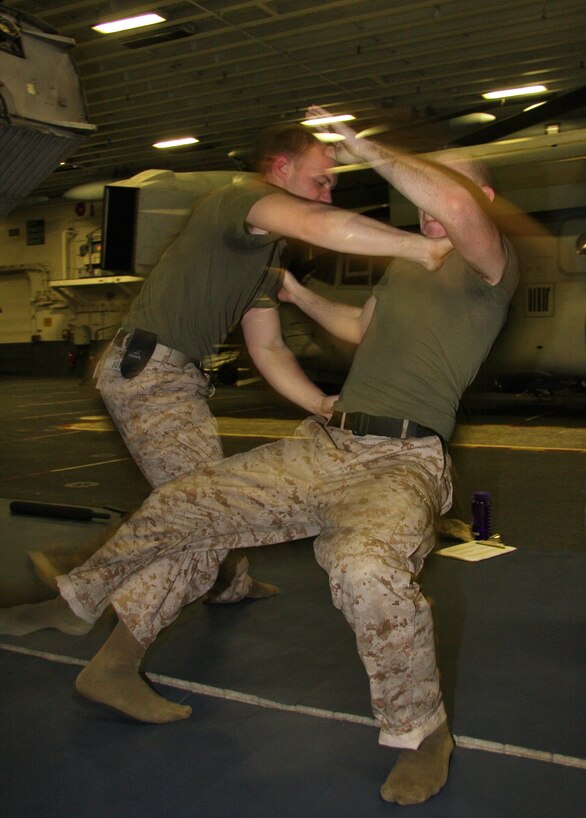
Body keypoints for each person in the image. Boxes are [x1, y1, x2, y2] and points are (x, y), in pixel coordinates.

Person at [0, 108, 519, 807]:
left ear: (476, 201)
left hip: (403, 460)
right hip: (329, 446)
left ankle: (423, 734)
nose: (427, 205)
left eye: (439, 191)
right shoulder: (405, 275)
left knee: (366, 571)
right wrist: (299, 293)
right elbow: (359, 330)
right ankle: (78, 603)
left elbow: (452, 202)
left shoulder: (488, 264)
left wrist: (363, 145)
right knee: (183, 502)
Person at [28, 122, 451, 602]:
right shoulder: (238, 201)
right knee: (201, 499)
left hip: (177, 378)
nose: (328, 195)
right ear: (282, 168)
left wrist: (319, 402)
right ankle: (87, 594)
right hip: (147, 373)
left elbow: (268, 347)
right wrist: (422, 247)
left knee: (206, 492)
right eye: (320, 181)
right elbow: (318, 224)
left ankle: (227, 583)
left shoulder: (265, 258)